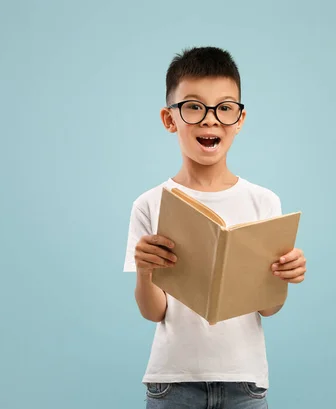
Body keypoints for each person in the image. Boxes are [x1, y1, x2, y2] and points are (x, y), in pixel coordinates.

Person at [123, 46, 307, 408]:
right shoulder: (150, 204)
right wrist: (145, 271)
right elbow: (153, 312)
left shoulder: (263, 202)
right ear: (169, 118)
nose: (211, 120)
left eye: (225, 108)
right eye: (193, 106)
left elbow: (268, 309)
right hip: (172, 383)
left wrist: (284, 274)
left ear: (239, 119)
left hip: (246, 382)